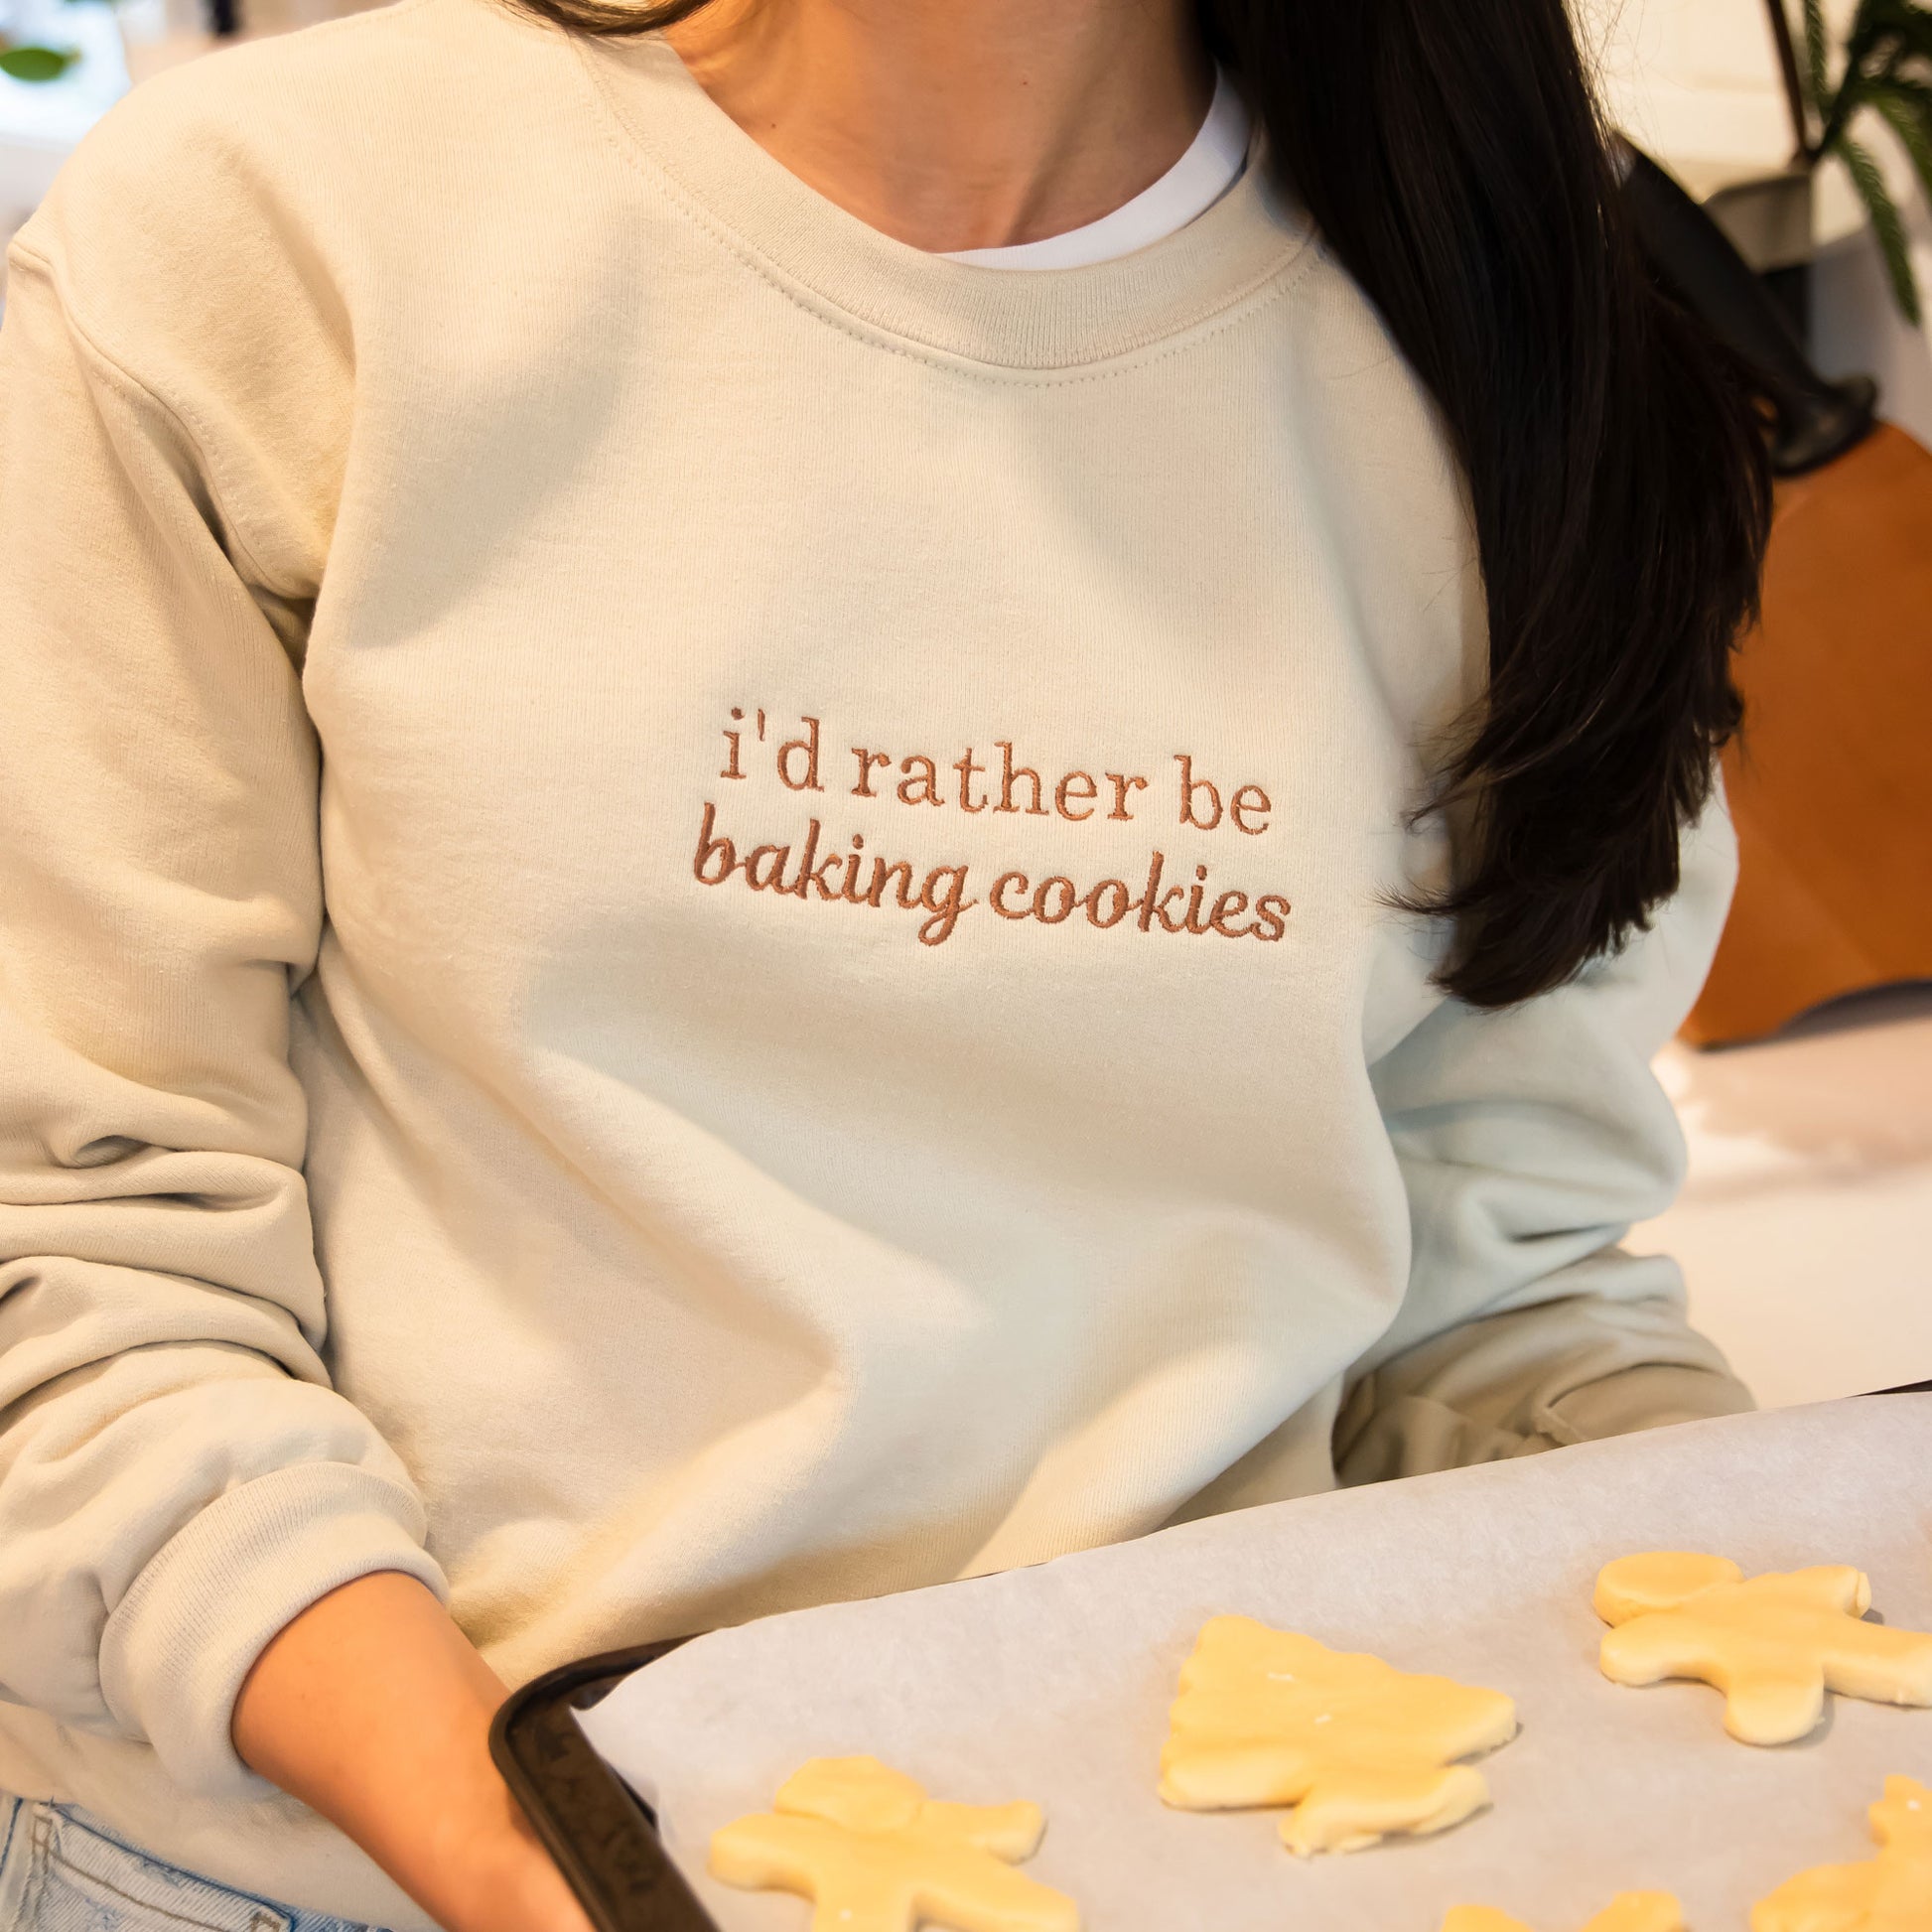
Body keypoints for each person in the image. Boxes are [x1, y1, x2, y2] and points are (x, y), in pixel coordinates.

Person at [0, 0, 1770, 1923]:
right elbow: (78, 1268)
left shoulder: (1518, 337)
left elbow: (1487, 1310)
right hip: (354, 1867)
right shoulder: (275, 240)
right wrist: (537, 1864)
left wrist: (1799, 1652)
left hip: (1197, 1847)